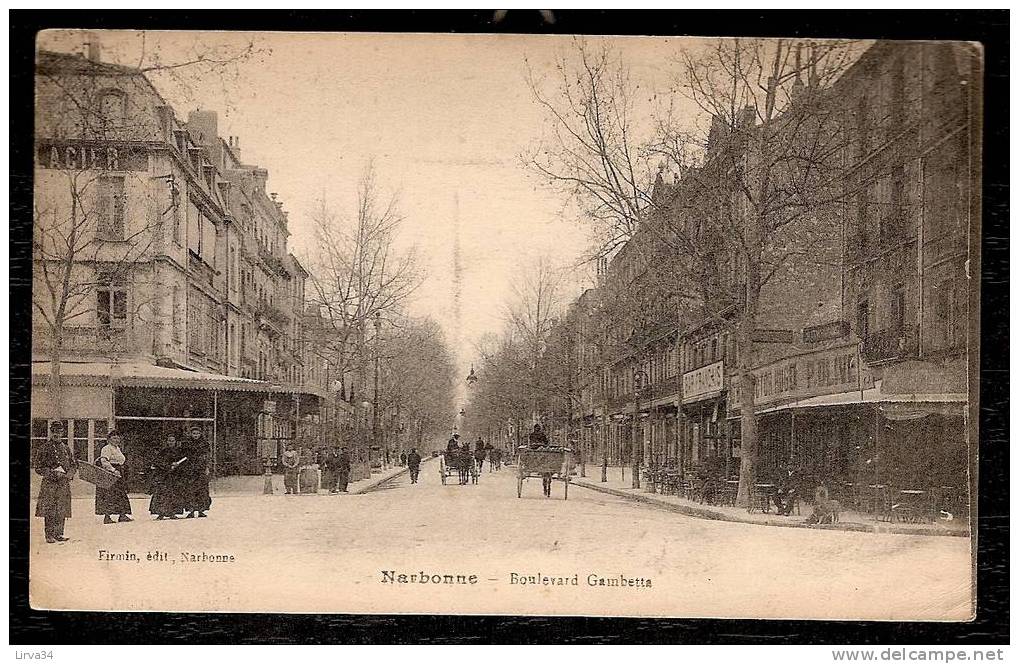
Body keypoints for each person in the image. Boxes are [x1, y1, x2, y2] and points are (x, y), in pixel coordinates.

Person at [34, 421, 75, 543]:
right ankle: (49, 535)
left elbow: (73, 464)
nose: (57, 434)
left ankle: (59, 533)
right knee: (49, 508)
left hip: (63, 483)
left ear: (63, 432)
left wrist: (69, 474)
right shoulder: (44, 448)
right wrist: (52, 473)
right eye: (54, 431)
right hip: (50, 484)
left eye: (60, 431)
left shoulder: (66, 448)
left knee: (61, 508)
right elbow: (38, 467)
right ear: (51, 432)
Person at [95, 430, 133, 524]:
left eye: (118, 438)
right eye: (114, 438)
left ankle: (122, 515)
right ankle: (107, 517)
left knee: (120, 493)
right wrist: (113, 470)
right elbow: (104, 461)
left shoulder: (117, 449)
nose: (117, 440)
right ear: (109, 439)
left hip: (119, 472)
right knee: (109, 494)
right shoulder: (107, 448)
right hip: (110, 474)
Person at [149, 434, 185, 519]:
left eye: (173, 441)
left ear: (176, 442)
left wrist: (177, 465)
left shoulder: (179, 452)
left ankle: (172, 512)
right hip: (164, 476)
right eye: (169, 440)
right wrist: (169, 466)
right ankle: (161, 513)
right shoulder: (163, 451)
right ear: (166, 441)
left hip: (175, 476)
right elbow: (158, 462)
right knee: (162, 494)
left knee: (174, 494)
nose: (171, 442)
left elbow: (183, 462)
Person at [180, 426, 212, 518]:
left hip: (201, 469)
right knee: (190, 490)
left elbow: (207, 456)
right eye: (194, 433)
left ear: (200, 434)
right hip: (190, 469)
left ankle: (201, 510)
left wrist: (207, 467)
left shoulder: (204, 444)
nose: (196, 435)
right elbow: (184, 456)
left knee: (202, 490)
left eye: (197, 433)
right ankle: (191, 510)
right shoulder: (187, 444)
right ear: (191, 434)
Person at [528, 424, 554, 497]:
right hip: (536, 448)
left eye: (538, 428)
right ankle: (546, 488)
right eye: (537, 428)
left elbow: (546, 442)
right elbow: (546, 442)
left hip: (539, 449)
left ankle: (547, 488)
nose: (537, 429)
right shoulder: (535, 435)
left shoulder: (536, 434)